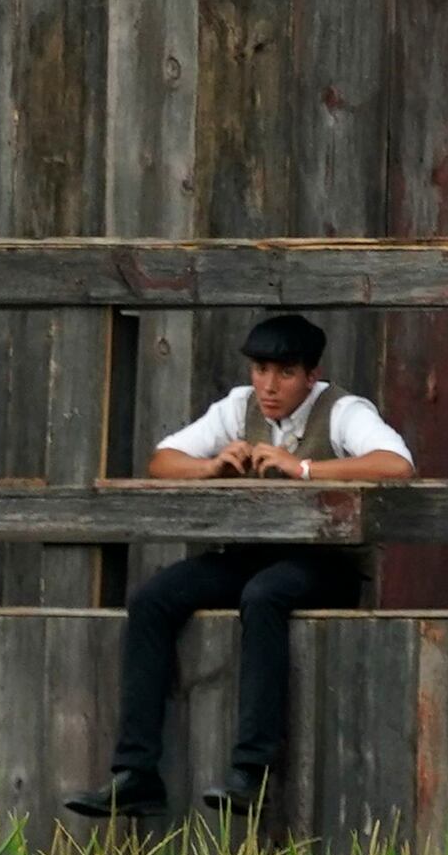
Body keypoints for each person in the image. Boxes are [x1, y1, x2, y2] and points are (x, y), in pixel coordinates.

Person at [63, 311, 414, 826]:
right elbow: (164, 460)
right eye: (261, 370)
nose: (269, 386)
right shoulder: (237, 406)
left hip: (325, 562)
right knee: (151, 598)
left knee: (264, 595)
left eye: (285, 373)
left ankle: (252, 770)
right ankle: (135, 773)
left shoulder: (342, 411)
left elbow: (396, 464)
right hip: (252, 555)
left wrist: (305, 469)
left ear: (311, 375)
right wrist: (210, 467)